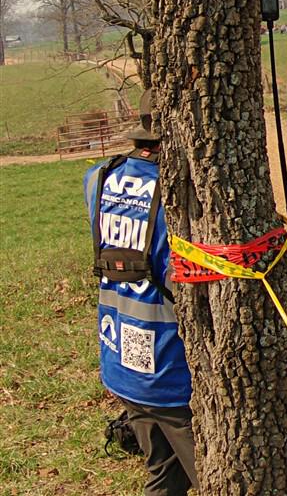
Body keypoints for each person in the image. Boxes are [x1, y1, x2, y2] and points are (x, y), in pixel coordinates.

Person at [84, 90, 197, 496]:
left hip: (121, 364)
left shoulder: (98, 178)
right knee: (219, 478)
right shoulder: (179, 195)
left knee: (164, 478)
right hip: (172, 373)